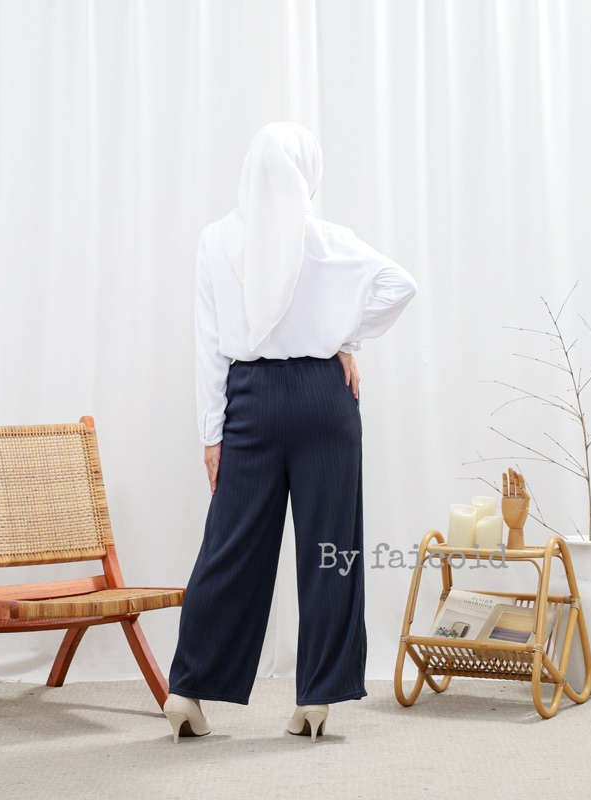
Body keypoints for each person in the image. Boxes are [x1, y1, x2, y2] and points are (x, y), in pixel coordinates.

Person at [163, 122, 417, 743]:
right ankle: (317, 699)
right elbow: (399, 285)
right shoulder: (327, 240)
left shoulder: (217, 240)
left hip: (249, 400)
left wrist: (212, 434)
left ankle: (187, 689)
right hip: (323, 398)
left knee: (230, 546)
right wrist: (345, 338)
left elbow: (208, 347)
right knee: (332, 547)